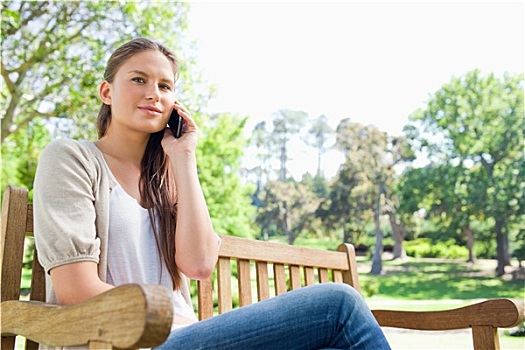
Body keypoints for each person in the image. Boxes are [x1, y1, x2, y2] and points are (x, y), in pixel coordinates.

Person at [33, 37, 391, 350]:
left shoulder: (169, 178)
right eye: (138, 79)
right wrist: (158, 318)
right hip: (122, 342)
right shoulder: (70, 158)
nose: (153, 94)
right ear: (107, 92)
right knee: (339, 304)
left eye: (165, 86)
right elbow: (74, 288)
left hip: (189, 337)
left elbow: (200, 265)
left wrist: (184, 157)